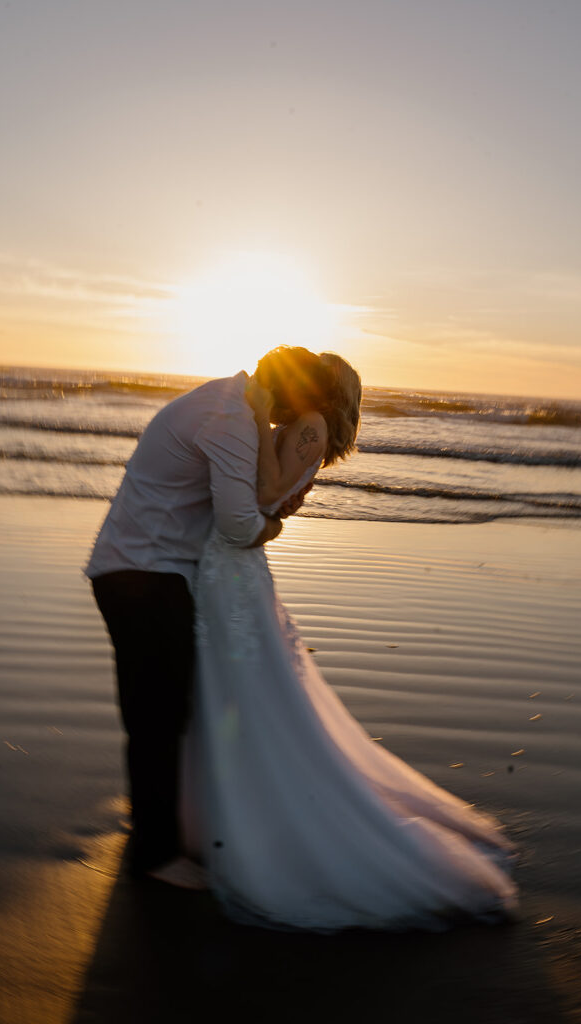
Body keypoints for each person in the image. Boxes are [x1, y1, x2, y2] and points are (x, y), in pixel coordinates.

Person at [180, 351, 519, 931]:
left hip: (231, 573)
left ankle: (248, 825)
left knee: (244, 696)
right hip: (229, 567)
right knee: (231, 695)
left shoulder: (307, 426)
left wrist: (258, 423)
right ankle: (214, 818)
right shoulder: (305, 427)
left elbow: (268, 485)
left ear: (326, 390)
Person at [86, 346, 335, 889]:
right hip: (144, 575)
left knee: (163, 712)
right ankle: (155, 855)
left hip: (146, 569)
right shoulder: (231, 421)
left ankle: (155, 832)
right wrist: (275, 528)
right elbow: (238, 523)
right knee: (158, 717)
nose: (293, 422)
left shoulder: (226, 402)